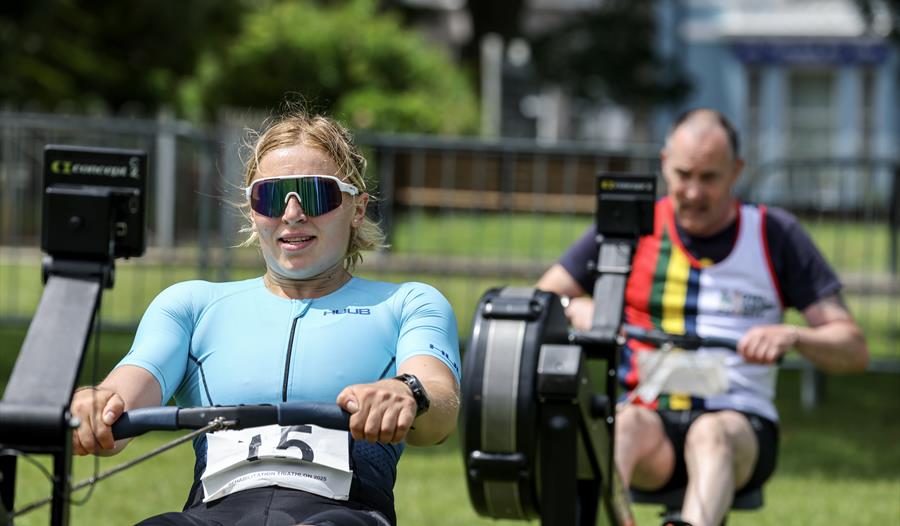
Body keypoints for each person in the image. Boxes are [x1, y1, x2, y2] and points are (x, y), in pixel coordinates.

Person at [69, 110, 461, 526]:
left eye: (315, 195)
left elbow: (440, 408)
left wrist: (407, 392)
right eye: (271, 197)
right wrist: (95, 407)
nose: (292, 214)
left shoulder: (409, 303)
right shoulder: (190, 304)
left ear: (358, 209)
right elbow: (118, 409)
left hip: (343, 516)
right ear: (252, 211)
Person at [537, 109, 869, 526]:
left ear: (737, 172)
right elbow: (543, 298)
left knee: (711, 434)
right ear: (664, 165)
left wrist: (794, 337)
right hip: (648, 416)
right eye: (683, 175)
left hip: (739, 424)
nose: (693, 192)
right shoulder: (632, 227)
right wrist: (576, 308)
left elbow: (853, 349)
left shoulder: (774, 233)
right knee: (620, 426)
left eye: (709, 178)